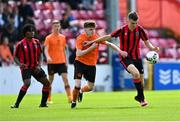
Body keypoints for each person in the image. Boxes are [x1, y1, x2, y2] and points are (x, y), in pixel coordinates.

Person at [84, 11, 160, 107]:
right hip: (126, 57)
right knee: (135, 73)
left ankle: (139, 97)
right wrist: (92, 42)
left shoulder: (140, 30)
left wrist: (153, 48)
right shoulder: (122, 30)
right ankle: (142, 99)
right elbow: (108, 37)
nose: (134, 25)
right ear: (127, 20)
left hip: (137, 57)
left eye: (136, 23)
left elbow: (147, 42)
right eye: (133, 23)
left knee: (141, 82)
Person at [71, 20, 127, 108]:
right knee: (77, 84)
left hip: (91, 65)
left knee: (90, 87)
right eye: (90, 29)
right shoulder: (80, 38)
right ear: (85, 29)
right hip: (80, 63)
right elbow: (78, 54)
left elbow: (109, 44)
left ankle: (81, 91)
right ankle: (73, 102)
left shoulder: (96, 38)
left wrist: (120, 51)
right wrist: (91, 48)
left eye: (93, 29)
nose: (93, 31)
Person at [11, 24, 50, 108]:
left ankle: (43, 104)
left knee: (47, 83)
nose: (32, 32)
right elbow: (15, 57)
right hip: (26, 67)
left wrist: (39, 65)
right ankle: (16, 104)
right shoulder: (20, 44)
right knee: (27, 83)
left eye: (33, 30)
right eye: (30, 31)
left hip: (36, 67)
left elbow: (40, 55)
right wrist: (20, 64)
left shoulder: (36, 42)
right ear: (25, 33)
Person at [44, 20, 72, 103]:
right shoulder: (48, 38)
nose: (57, 27)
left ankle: (70, 97)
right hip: (52, 62)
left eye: (58, 26)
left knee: (65, 79)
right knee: (50, 81)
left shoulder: (63, 37)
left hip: (61, 62)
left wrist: (66, 61)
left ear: (60, 27)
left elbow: (63, 50)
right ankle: (49, 98)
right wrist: (48, 57)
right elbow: (46, 49)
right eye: (55, 26)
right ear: (52, 27)